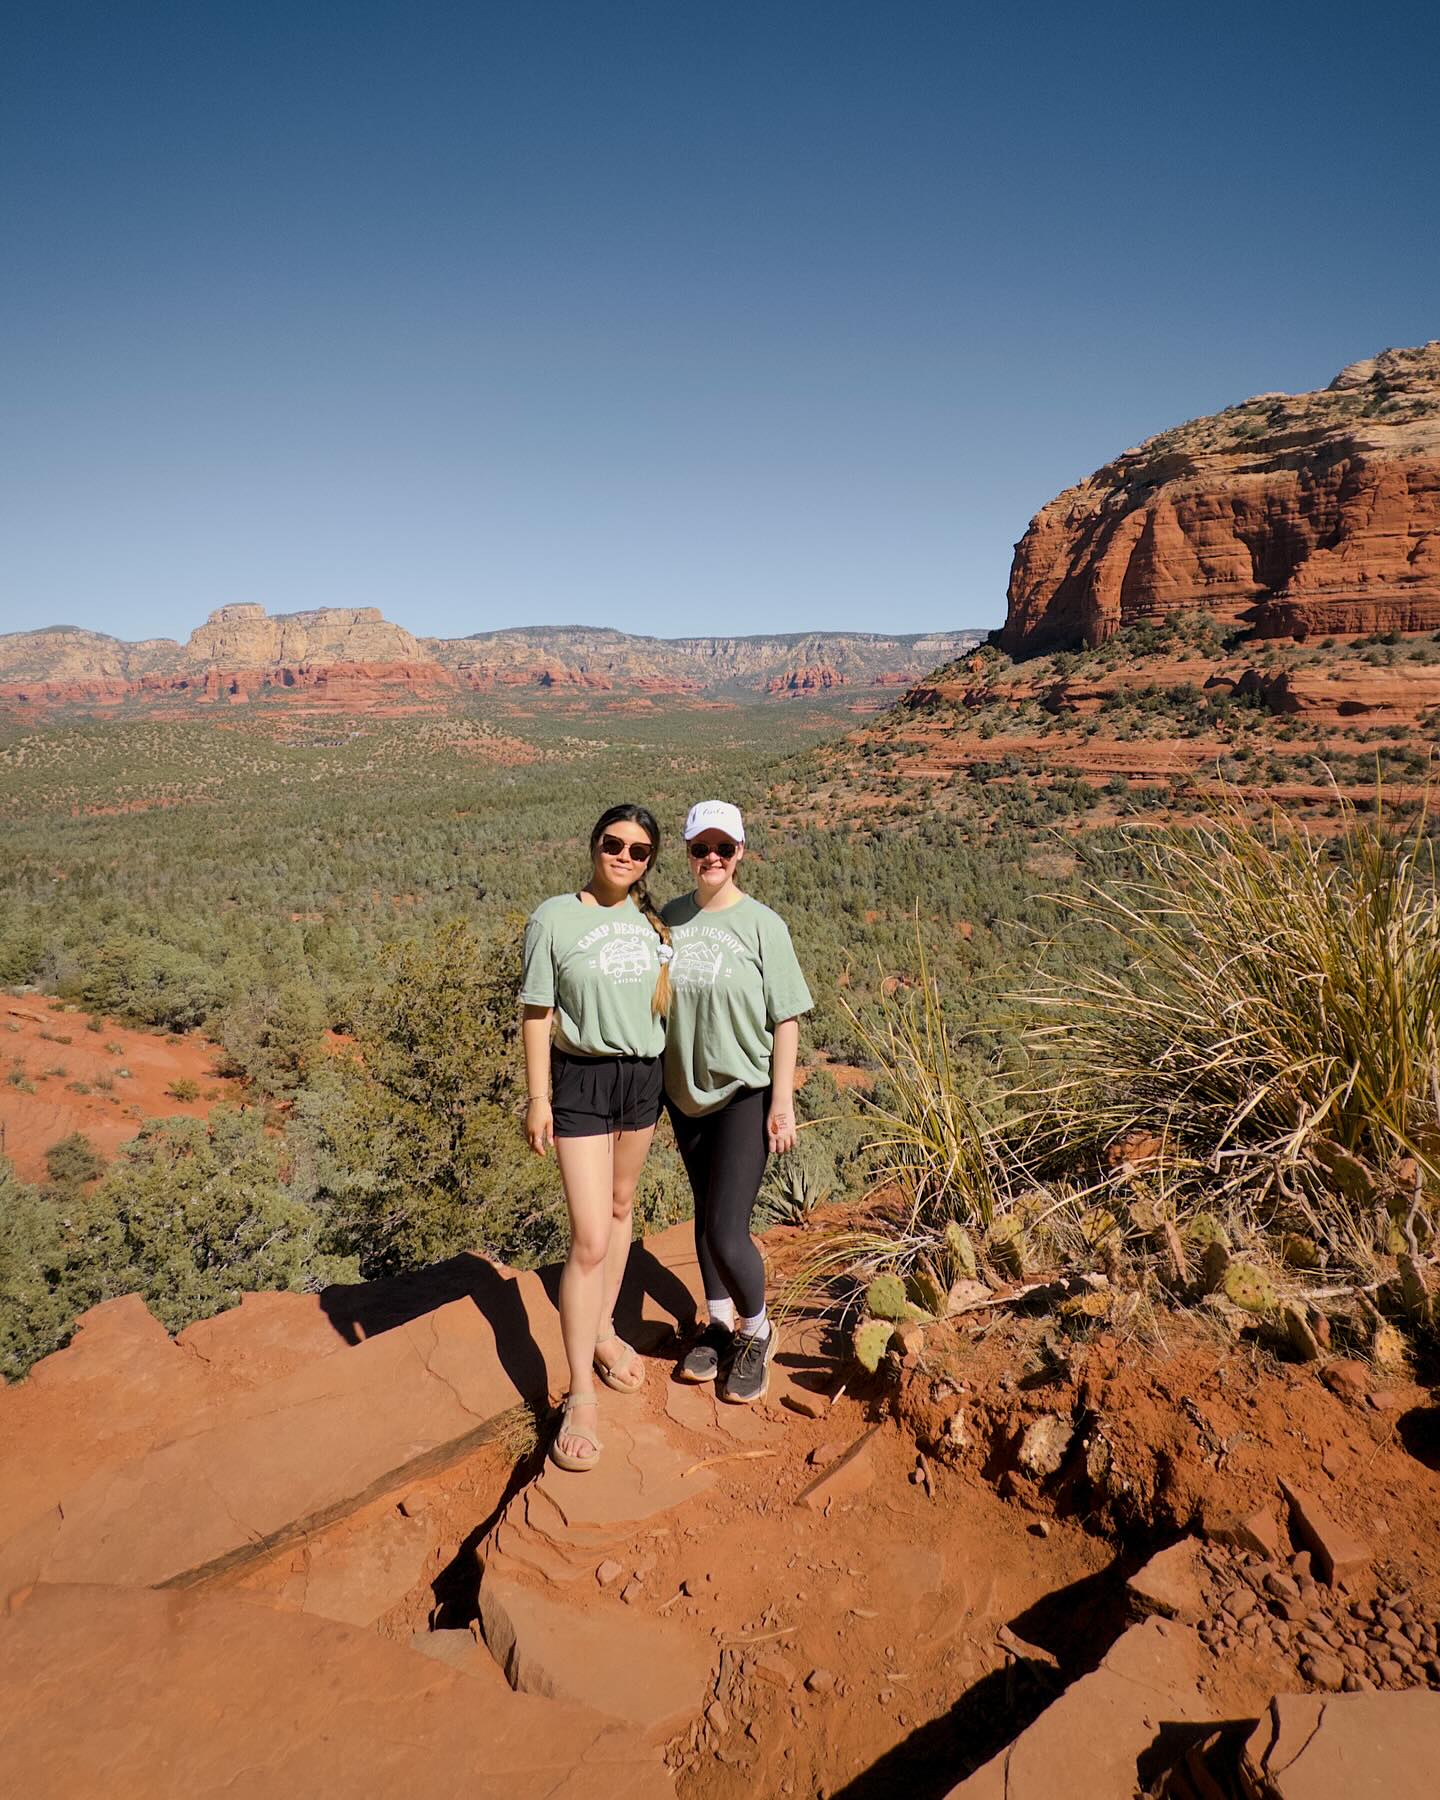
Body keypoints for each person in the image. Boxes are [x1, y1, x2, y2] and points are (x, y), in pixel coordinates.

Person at [521, 804, 673, 1471]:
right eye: (614, 843)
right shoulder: (554, 917)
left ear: (647, 863)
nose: (624, 856)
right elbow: (537, 1010)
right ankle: (580, 1390)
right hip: (579, 1079)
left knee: (619, 1207)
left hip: (643, 1078)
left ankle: (605, 1331)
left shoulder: (651, 922)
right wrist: (537, 1097)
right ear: (593, 845)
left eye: (639, 851)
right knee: (588, 1236)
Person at [662, 800, 813, 1404]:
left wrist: (783, 1101)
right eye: (702, 848)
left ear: (741, 853)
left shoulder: (762, 925)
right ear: (689, 853)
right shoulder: (670, 918)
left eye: (724, 848)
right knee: (704, 1215)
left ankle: (757, 1329)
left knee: (727, 1229)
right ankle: (719, 1324)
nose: (712, 859)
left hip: (744, 1092)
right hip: (684, 1092)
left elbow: (787, 1018)